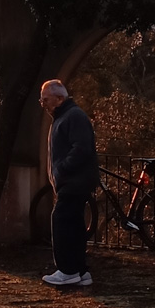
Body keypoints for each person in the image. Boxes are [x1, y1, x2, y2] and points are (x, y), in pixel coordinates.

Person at [39, 79, 98, 289]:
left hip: (74, 180)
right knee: (74, 224)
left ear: (59, 98)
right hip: (75, 180)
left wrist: (62, 168)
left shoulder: (71, 116)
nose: (43, 103)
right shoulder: (66, 116)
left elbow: (81, 148)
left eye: (46, 99)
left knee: (62, 221)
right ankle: (80, 271)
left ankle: (67, 270)